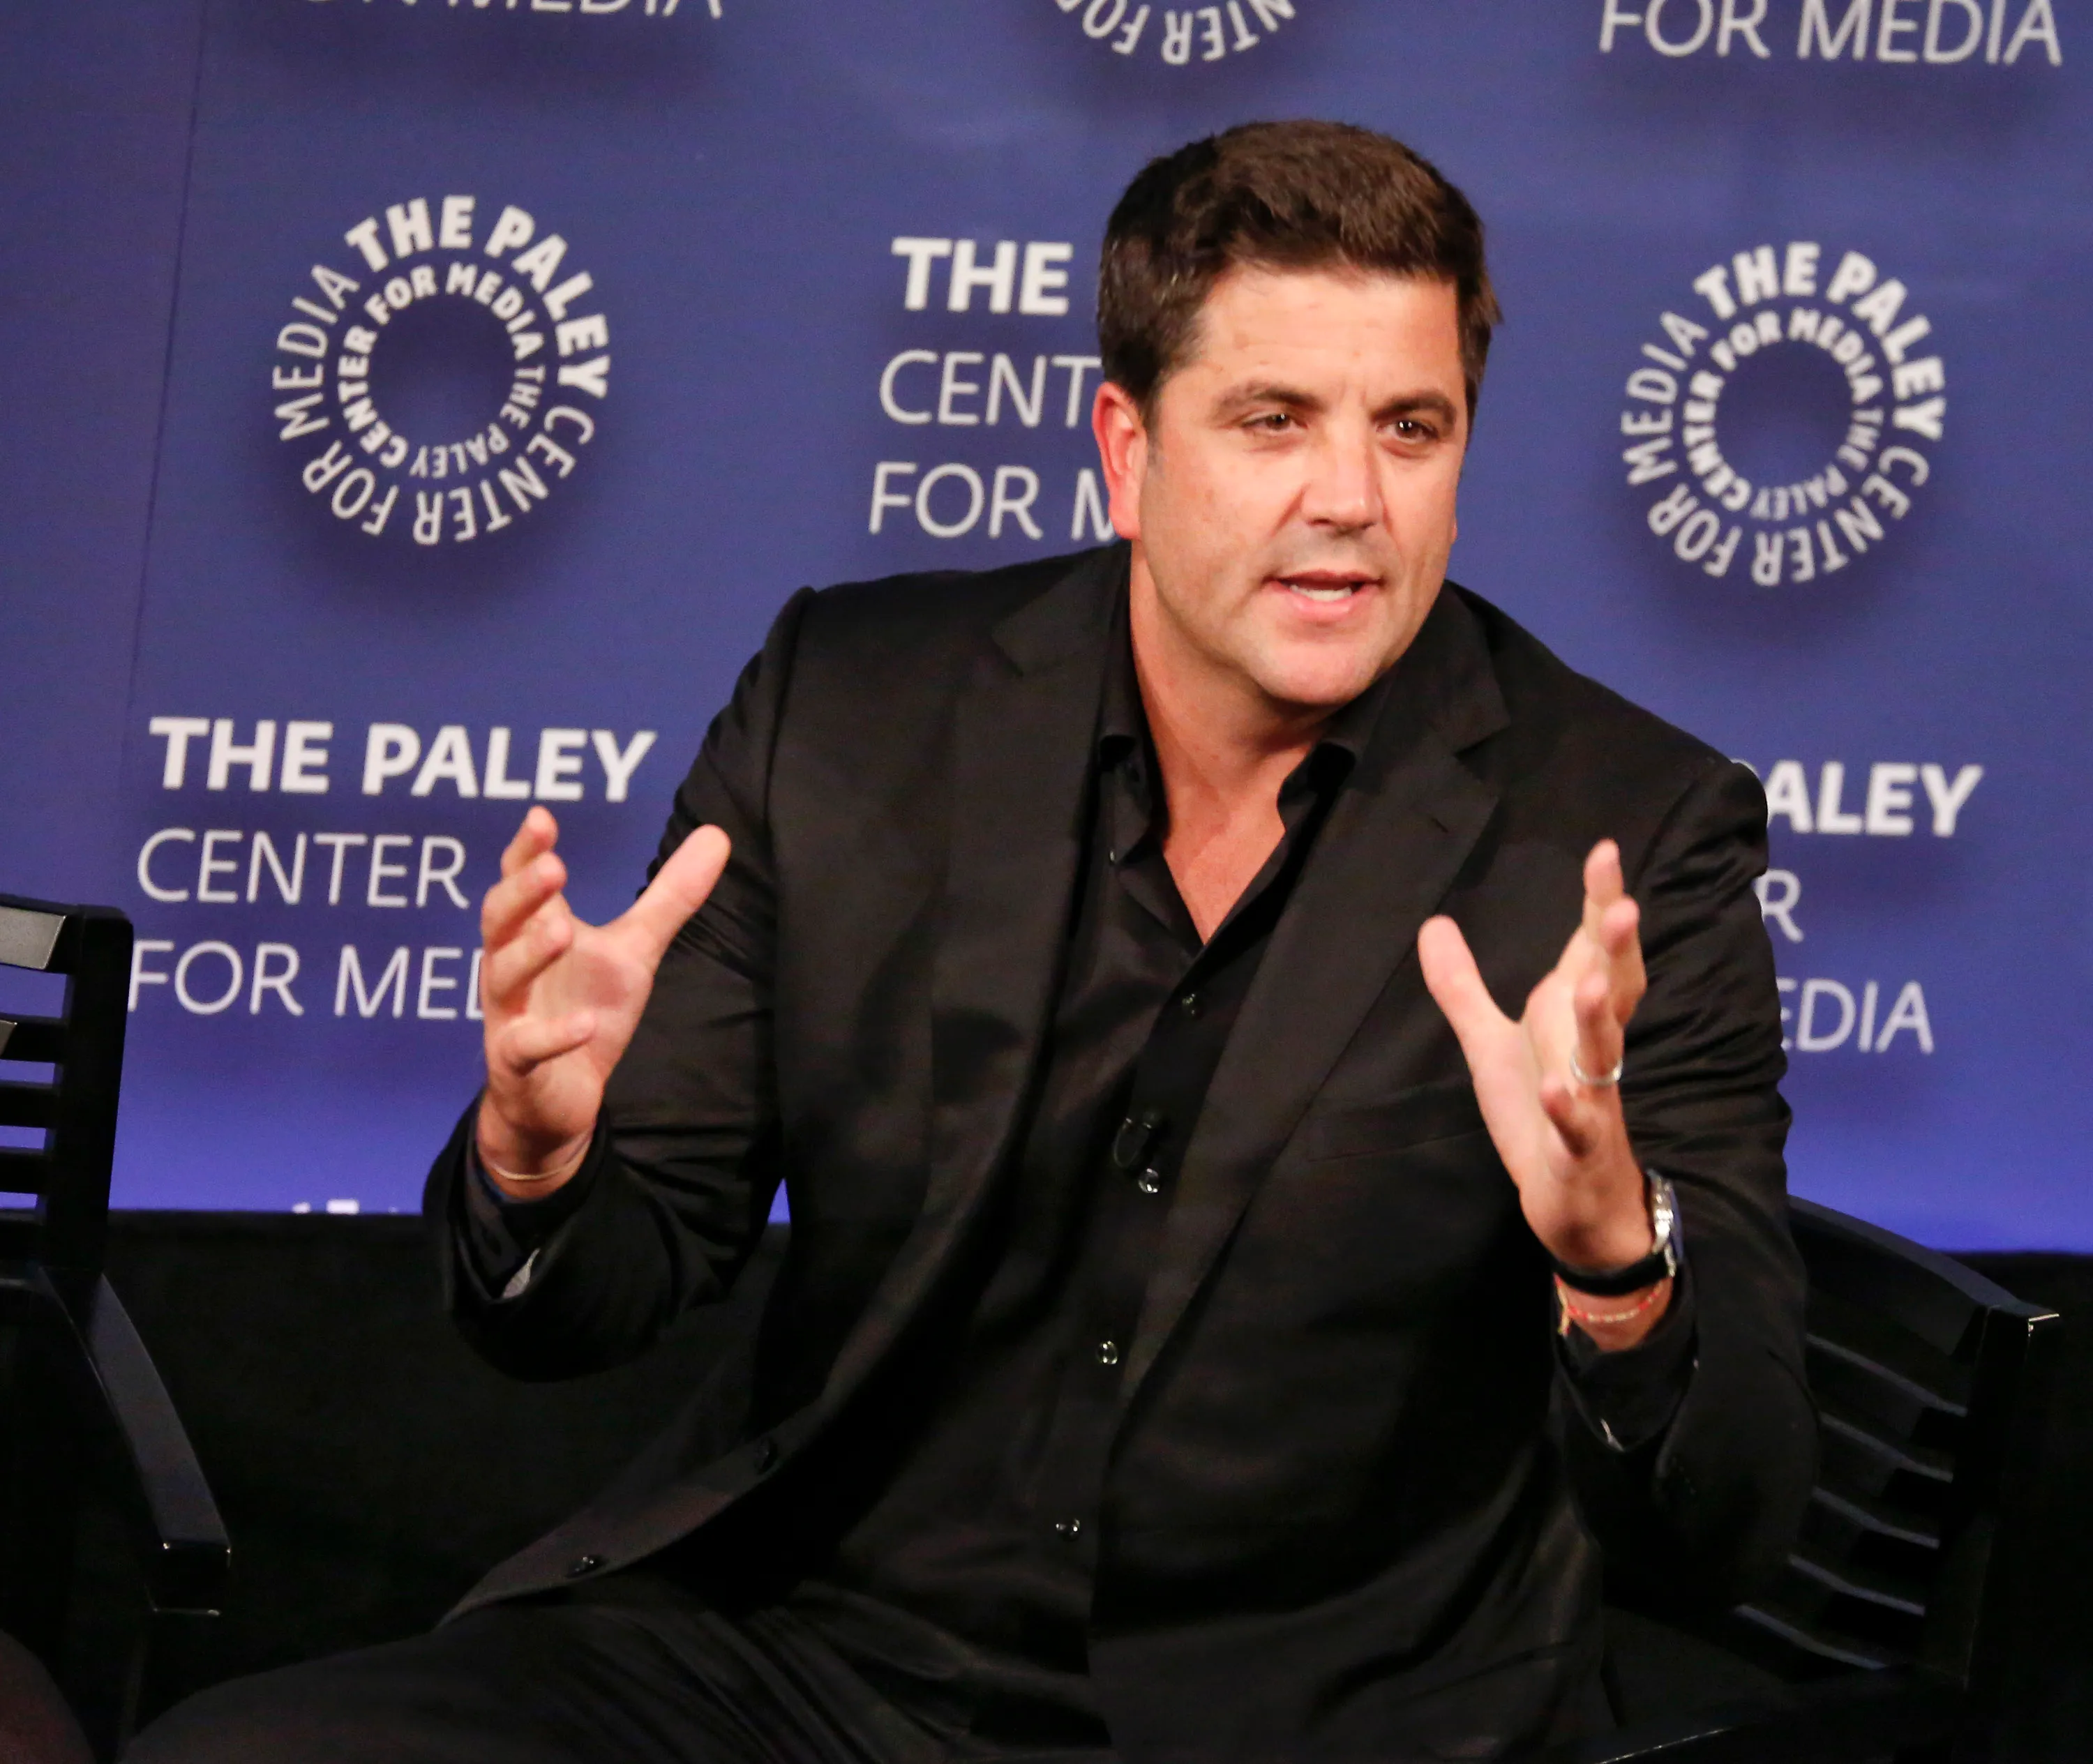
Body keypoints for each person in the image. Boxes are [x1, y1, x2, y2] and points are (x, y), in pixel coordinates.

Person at [132, 120, 1813, 1763]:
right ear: (1126, 447)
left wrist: (1617, 1264)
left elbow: (1728, 1523)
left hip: (1306, 1709)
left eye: (1413, 427)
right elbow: (579, 1309)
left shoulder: (1626, 837)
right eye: (1274, 419)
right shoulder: (853, 710)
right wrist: (538, 1155)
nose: (1351, 499)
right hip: (800, 1658)